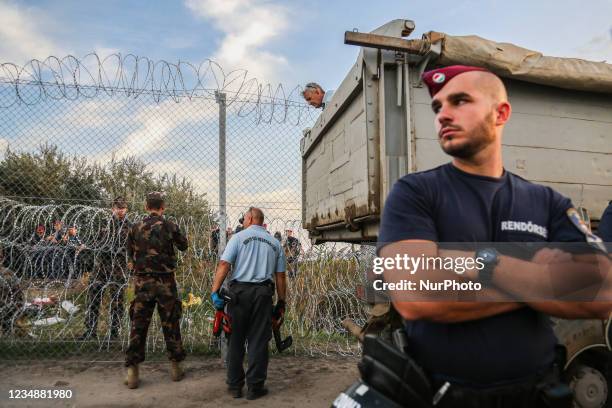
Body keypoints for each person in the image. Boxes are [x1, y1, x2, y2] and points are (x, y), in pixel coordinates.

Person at [377, 65, 612, 407]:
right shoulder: (415, 193)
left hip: (538, 393)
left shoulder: (545, 201)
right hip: (445, 395)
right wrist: (542, 277)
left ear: (500, 112)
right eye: (438, 107)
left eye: (459, 101)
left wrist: (477, 264)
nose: (443, 114)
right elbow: (416, 294)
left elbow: (602, 292)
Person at [210, 207, 286, 400]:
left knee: (235, 340)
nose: (243, 221)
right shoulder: (275, 243)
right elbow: (280, 276)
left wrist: (214, 291)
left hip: (239, 294)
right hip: (263, 294)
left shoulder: (238, 238)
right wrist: (281, 302)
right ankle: (255, 387)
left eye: (244, 218)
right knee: (259, 341)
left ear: (251, 219)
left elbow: (224, 265)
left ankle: (235, 386)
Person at [124, 192, 188, 389]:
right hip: (165, 282)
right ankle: (176, 367)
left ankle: (132, 371)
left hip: (143, 282)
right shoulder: (169, 226)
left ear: (146, 206)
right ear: (163, 208)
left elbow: (129, 254)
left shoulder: (135, 227)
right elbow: (183, 246)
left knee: (139, 324)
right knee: (170, 322)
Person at [81, 197, 131, 340]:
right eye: (118, 207)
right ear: (112, 208)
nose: (120, 210)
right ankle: (90, 331)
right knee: (94, 296)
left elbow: (130, 247)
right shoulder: (104, 223)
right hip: (101, 266)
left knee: (117, 299)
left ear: (126, 209)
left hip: (118, 267)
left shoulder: (130, 226)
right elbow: (95, 241)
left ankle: (114, 332)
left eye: (123, 208)